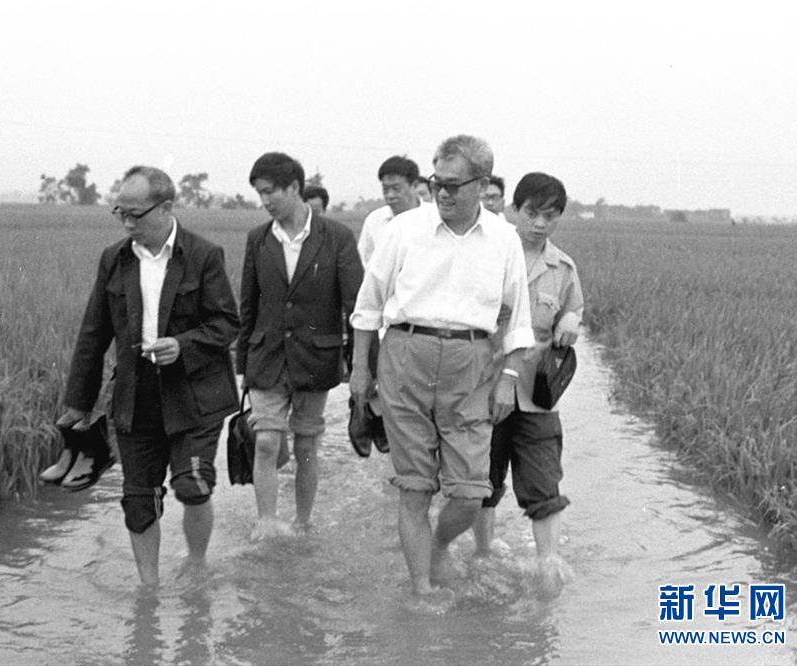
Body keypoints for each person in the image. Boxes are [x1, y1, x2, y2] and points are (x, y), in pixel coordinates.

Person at [349, 135, 534, 607]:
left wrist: (509, 380)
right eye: (437, 183)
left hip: (471, 365)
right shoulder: (404, 230)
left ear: (482, 185)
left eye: (454, 185)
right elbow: (368, 307)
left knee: (471, 492)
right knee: (414, 487)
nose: (443, 194)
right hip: (405, 355)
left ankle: (438, 545)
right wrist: (359, 372)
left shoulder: (504, 239)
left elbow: (518, 320)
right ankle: (421, 590)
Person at [58, 166, 241, 587]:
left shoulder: (203, 255)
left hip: (194, 393)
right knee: (138, 499)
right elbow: (93, 333)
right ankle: (150, 590)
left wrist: (183, 345)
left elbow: (226, 323)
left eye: (135, 214)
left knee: (193, 485)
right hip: (136, 393)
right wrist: (77, 405)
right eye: (120, 213)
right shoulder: (114, 259)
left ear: (166, 208)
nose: (127, 223)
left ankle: (196, 562)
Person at [237, 152, 363, 540]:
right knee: (266, 441)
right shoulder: (258, 239)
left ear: (294, 188)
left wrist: (359, 363)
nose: (265, 201)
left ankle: (303, 522)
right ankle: (267, 521)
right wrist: (242, 366)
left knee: (307, 443)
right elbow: (249, 304)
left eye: (270, 192)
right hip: (267, 356)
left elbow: (355, 305)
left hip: (315, 358)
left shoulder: (336, 237)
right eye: (259, 194)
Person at [471, 172, 583, 598]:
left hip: (536, 395)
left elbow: (574, 309)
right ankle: (482, 554)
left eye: (550, 216)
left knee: (544, 480)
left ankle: (547, 563)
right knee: (483, 478)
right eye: (532, 213)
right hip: (486, 386)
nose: (540, 223)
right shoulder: (489, 255)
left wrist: (571, 320)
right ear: (515, 210)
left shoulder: (563, 268)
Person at [357, 155, 422, 266]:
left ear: (414, 186)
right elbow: (364, 260)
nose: (390, 195)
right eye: (385, 189)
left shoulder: (433, 217)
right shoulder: (374, 220)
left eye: (396, 189)